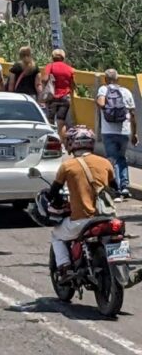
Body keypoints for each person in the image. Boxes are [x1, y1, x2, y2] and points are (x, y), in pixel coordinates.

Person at [48, 126, 116, 281]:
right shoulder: (105, 163)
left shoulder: (67, 166)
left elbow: (54, 192)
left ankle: (64, 267)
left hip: (82, 220)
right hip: (107, 216)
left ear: (72, 143)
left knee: (57, 235)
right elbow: (115, 188)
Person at [96, 69, 138, 200]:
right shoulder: (126, 92)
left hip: (108, 131)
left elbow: (101, 103)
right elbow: (132, 115)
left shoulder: (103, 89)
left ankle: (116, 189)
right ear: (118, 78)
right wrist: (134, 133)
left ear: (105, 79)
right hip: (124, 130)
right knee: (122, 158)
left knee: (112, 160)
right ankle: (125, 187)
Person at [42, 49, 76, 144]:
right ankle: (61, 143)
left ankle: (51, 141)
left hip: (52, 97)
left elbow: (44, 79)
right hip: (65, 97)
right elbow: (72, 85)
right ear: (63, 57)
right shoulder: (70, 69)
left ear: (52, 57)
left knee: (50, 120)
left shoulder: (50, 66)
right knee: (61, 121)